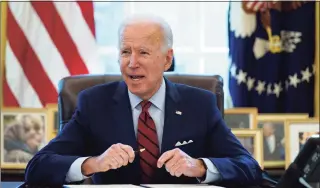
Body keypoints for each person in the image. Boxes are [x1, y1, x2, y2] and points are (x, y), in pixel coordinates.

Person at [24, 14, 263, 186]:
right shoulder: (93, 103)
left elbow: (250, 168)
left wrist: (199, 167)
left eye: (144, 53)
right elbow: (38, 168)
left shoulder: (199, 104)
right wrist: (92, 164)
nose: (132, 63)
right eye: (125, 52)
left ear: (167, 59)